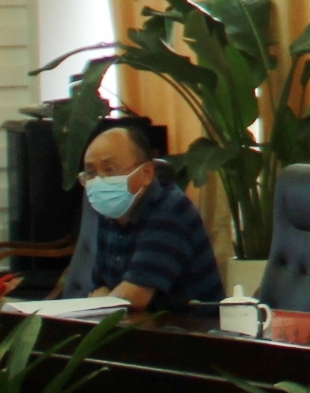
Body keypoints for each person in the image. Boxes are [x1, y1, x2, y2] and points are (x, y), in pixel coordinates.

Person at [55, 125, 226, 314]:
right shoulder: (110, 212)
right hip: (138, 324)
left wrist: (109, 298)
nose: (99, 181)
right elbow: (99, 288)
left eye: (109, 170)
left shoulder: (170, 209)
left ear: (146, 173)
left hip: (192, 328)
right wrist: (109, 297)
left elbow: (134, 296)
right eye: (91, 173)